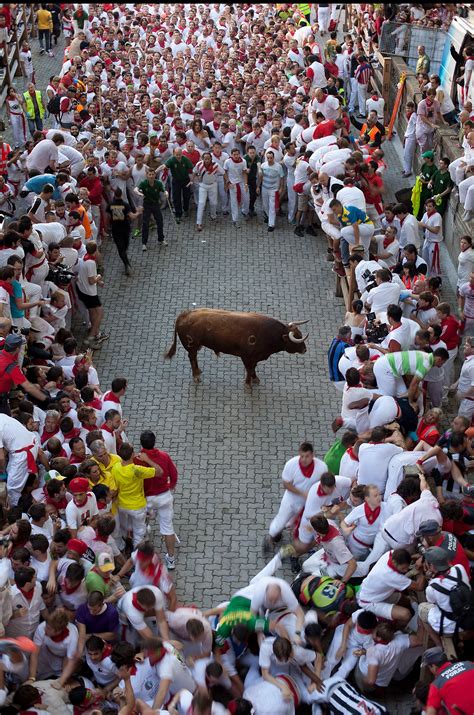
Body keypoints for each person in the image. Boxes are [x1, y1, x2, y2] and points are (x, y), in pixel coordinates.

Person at [106, 188, 142, 276]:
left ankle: (126, 262)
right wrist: (138, 212)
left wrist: (107, 227)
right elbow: (132, 217)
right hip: (125, 228)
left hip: (115, 229)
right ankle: (127, 263)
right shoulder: (125, 205)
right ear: (121, 195)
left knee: (120, 248)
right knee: (125, 246)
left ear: (114, 195)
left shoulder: (110, 205)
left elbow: (107, 217)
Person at [133, 166, 168, 252]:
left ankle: (161, 239)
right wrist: (139, 193)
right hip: (147, 205)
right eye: (149, 174)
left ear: (155, 175)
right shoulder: (144, 183)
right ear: (147, 175)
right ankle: (144, 243)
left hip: (155, 204)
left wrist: (166, 193)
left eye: (153, 174)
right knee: (145, 224)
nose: (151, 176)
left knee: (160, 221)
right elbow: (136, 189)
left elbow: (164, 190)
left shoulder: (158, 183)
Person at [193, 152, 223, 232]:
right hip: (203, 185)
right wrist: (192, 180)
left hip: (213, 185)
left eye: (208, 159)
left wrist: (227, 182)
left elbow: (223, 173)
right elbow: (194, 172)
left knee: (214, 203)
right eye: (205, 159)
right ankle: (198, 223)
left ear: (211, 159)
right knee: (201, 203)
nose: (207, 160)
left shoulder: (216, 165)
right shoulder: (199, 164)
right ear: (203, 159)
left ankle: (213, 216)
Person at [164, 147, 194, 224]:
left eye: (179, 154)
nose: (178, 156)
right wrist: (156, 171)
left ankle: (186, 209)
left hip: (185, 180)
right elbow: (164, 166)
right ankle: (178, 214)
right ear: (174, 154)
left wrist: (192, 180)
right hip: (176, 181)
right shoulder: (171, 160)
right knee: (176, 198)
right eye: (177, 155)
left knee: (186, 196)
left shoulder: (185, 159)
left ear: (182, 154)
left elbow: (192, 169)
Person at [258, 151, 285, 232]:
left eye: (271, 158)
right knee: (265, 205)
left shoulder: (278, 167)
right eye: (268, 158)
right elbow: (260, 177)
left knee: (272, 206)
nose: (269, 159)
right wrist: (258, 186)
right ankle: (269, 217)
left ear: (273, 158)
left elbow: (282, 177)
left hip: (274, 189)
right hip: (264, 188)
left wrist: (281, 188)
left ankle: (271, 224)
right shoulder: (263, 165)